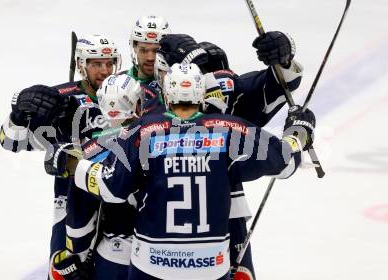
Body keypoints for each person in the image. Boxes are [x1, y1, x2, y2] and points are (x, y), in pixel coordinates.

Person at [71, 63, 316, 279]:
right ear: (200, 94)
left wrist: (72, 164)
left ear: (167, 95)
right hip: (210, 266)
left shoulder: (143, 130)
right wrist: (298, 132)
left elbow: (109, 188)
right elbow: (286, 162)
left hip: (151, 264)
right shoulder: (228, 128)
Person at [0, 34, 121, 278]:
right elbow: (10, 142)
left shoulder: (129, 93)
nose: (105, 70)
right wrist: (19, 117)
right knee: (63, 273)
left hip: (118, 201)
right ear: (81, 65)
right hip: (69, 205)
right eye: (97, 63)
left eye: (109, 63)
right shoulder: (61, 99)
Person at [45, 73, 142, 279]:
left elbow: (80, 217)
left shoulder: (90, 151)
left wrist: (76, 256)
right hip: (160, 251)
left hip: (115, 255)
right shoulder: (161, 137)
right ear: (138, 103)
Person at [155, 33, 304, 126]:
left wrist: (283, 59)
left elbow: (282, 83)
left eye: (199, 70)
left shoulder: (222, 88)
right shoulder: (141, 95)